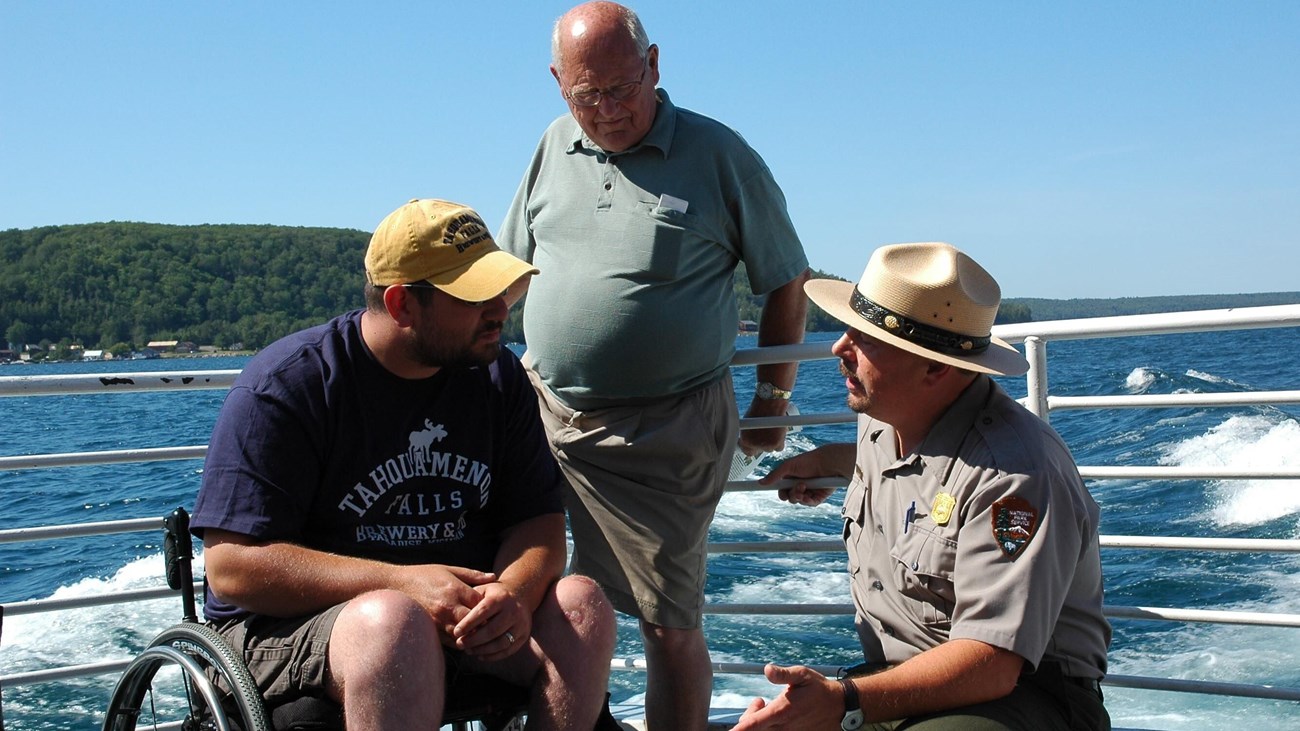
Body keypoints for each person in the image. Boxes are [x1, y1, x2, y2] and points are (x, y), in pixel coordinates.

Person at [496, 3, 811, 728]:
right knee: (542, 596)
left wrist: (772, 398)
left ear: (656, 66)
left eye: (622, 87)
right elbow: (507, 272)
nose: (606, 110)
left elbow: (786, 279)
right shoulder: (551, 145)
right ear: (557, 84)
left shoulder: (720, 154)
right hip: (544, 421)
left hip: (666, 435)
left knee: (668, 623)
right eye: (586, 95)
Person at [191, 199, 618, 730]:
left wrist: (512, 593)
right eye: (474, 296)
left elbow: (539, 523)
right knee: (395, 624)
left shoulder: (497, 379)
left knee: (581, 605)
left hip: (456, 618)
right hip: (291, 634)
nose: (500, 311)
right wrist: (404, 586)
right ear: (402, 306)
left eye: (502, 290)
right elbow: (232, 567)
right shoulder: (289, 386)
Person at [732, 242, 1111, 731]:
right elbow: (928, 473)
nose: (838, 347)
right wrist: (830, 461)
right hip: (903, 679)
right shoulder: (884, 420)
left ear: (935, 367)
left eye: (865, 338)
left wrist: (843, 699)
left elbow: (992, 662)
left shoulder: (1015, 478)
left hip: (1020, 696)